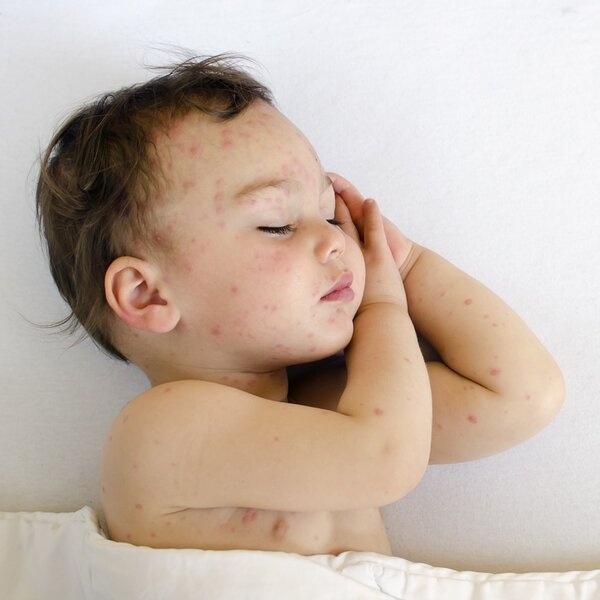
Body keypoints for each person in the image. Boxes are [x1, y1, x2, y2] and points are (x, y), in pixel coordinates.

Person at [36, 54, 564, 556]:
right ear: (147, 294)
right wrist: (384, 301)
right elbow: (384, 458)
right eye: (277, 224)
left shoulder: (329, 409)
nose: (337, 240)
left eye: (330, 214)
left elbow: (521, 394)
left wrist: (404, 262)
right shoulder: (159, 433)